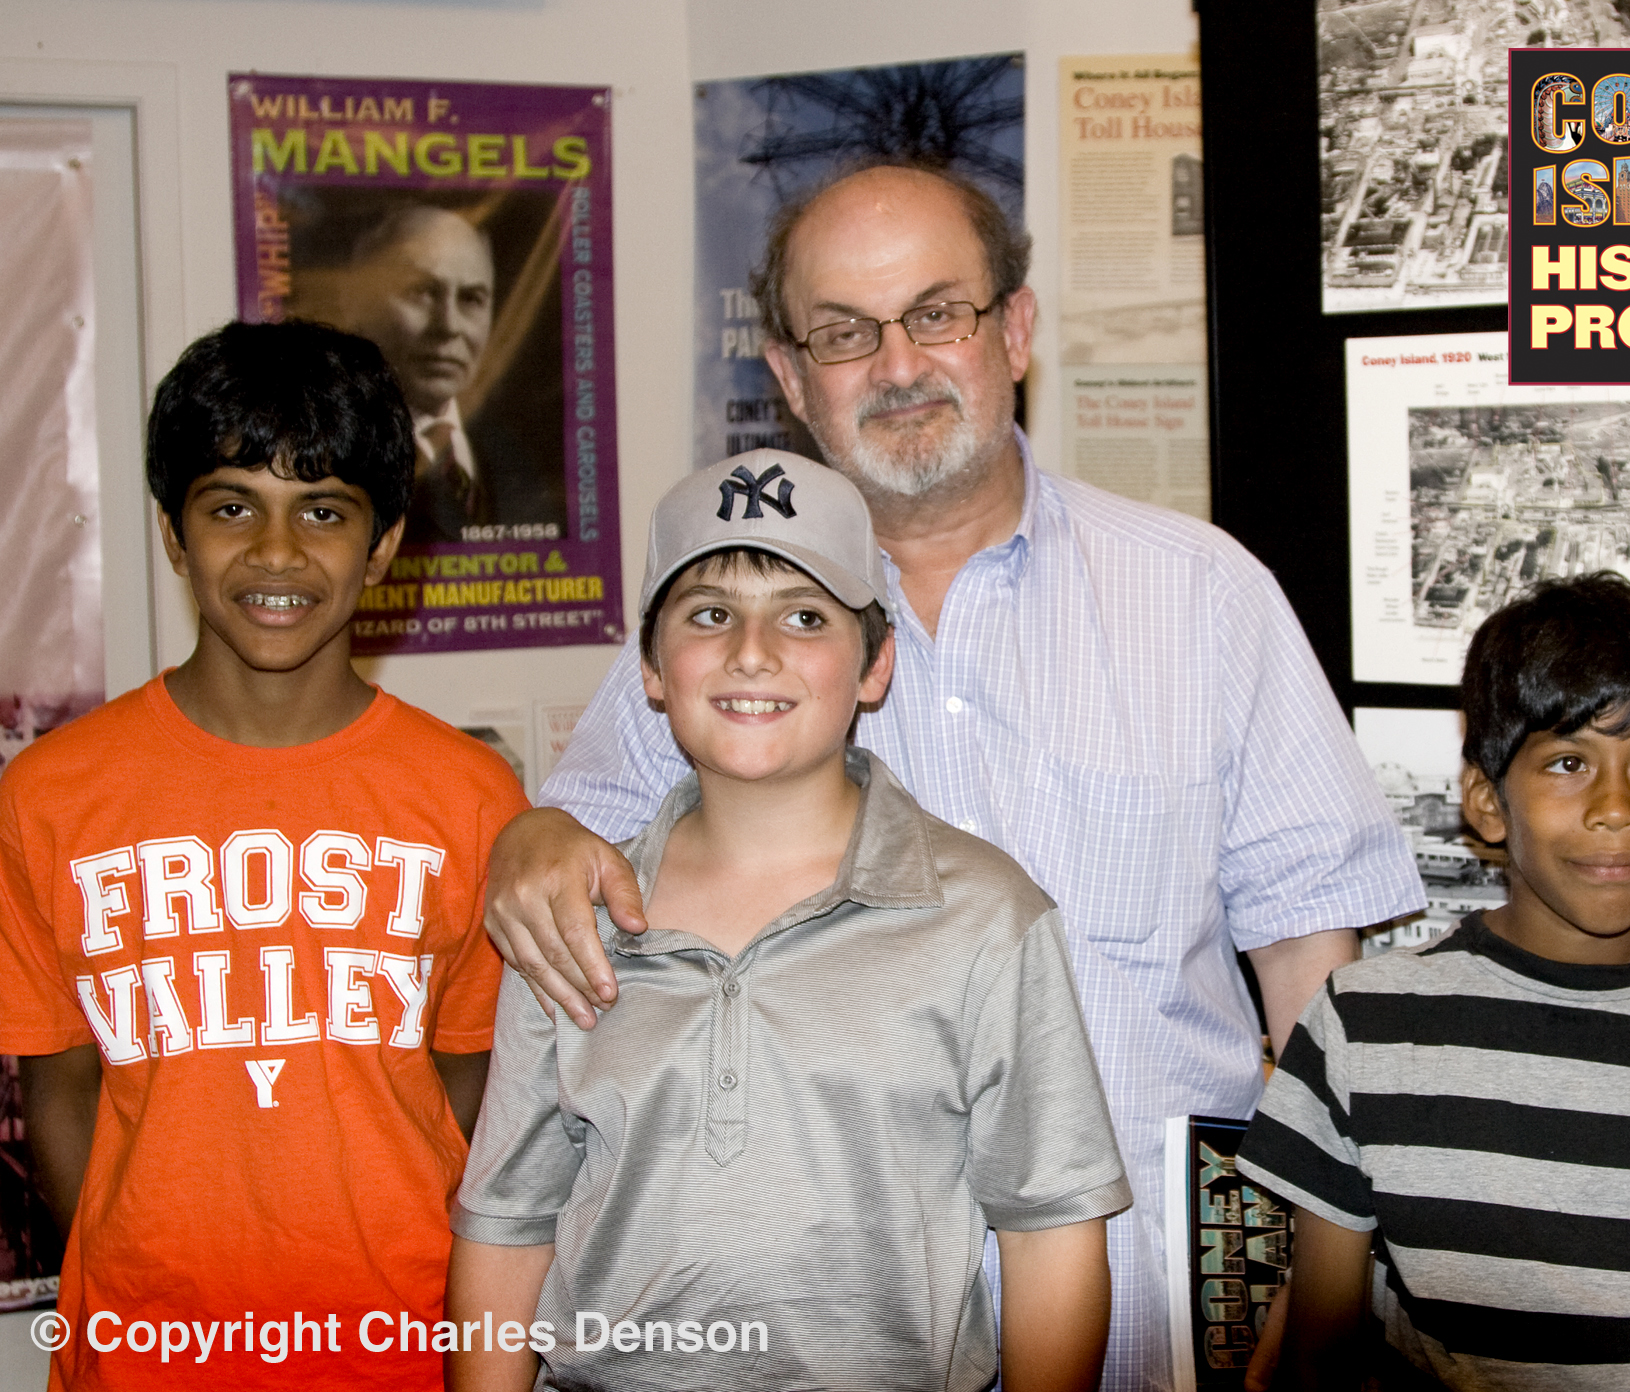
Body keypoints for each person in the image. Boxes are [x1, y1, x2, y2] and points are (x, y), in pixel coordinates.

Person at [484, 162, 1425, 1388]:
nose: (897, 364)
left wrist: (1317, 1293)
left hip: (1150, 1321)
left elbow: (1314, 981)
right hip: (833, 1338)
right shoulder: (731, 648)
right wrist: (527, 836)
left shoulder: (1205, 600)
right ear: (788, 377)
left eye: (938, 314)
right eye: (844, 332)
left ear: (1015, 328)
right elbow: (578, 865)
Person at [446, 451, 1130, 1391]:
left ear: (875, 664)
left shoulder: (983, 917)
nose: (752, 650)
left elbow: (1049, 1226)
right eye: (710, 614)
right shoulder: (572, 917)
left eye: (804, 616)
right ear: (650, 667)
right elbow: (508, 1222)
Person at [0, 320, 531, 1390]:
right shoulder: (49, 794)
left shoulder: (470, 798)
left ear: (381, 545)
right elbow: (59, 1082)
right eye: (232, 505)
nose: (276, 553)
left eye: (323, 512)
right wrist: (132, 1254)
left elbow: (469, 1073)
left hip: (399, 1349)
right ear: (172, 531)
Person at [1237, 573, 1630, 1390]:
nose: (1615, 806)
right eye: (1569, 762)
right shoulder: (1362, 1024)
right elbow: (1319, 1351)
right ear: (1486, 803)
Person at [333, 203, 563, 544]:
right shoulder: (330, 456)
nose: (449, 326)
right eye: (422, 292)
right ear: (358, 302)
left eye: (471, 299)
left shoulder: (516, 463)